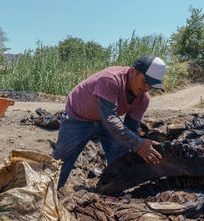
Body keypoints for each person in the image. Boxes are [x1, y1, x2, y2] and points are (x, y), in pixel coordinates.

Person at [52, 55, 166, 188]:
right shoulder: (110, 79)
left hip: (105, 118)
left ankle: (113, 187)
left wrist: (137, 146)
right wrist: (138, 144)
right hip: (78, 117)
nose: (147, 88)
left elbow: (131, 128)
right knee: (62, 158)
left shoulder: (143, 99)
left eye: (151, 86)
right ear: (133, 71)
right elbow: (109, 118)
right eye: (145, 81)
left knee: (122, 149)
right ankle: (49, 192)